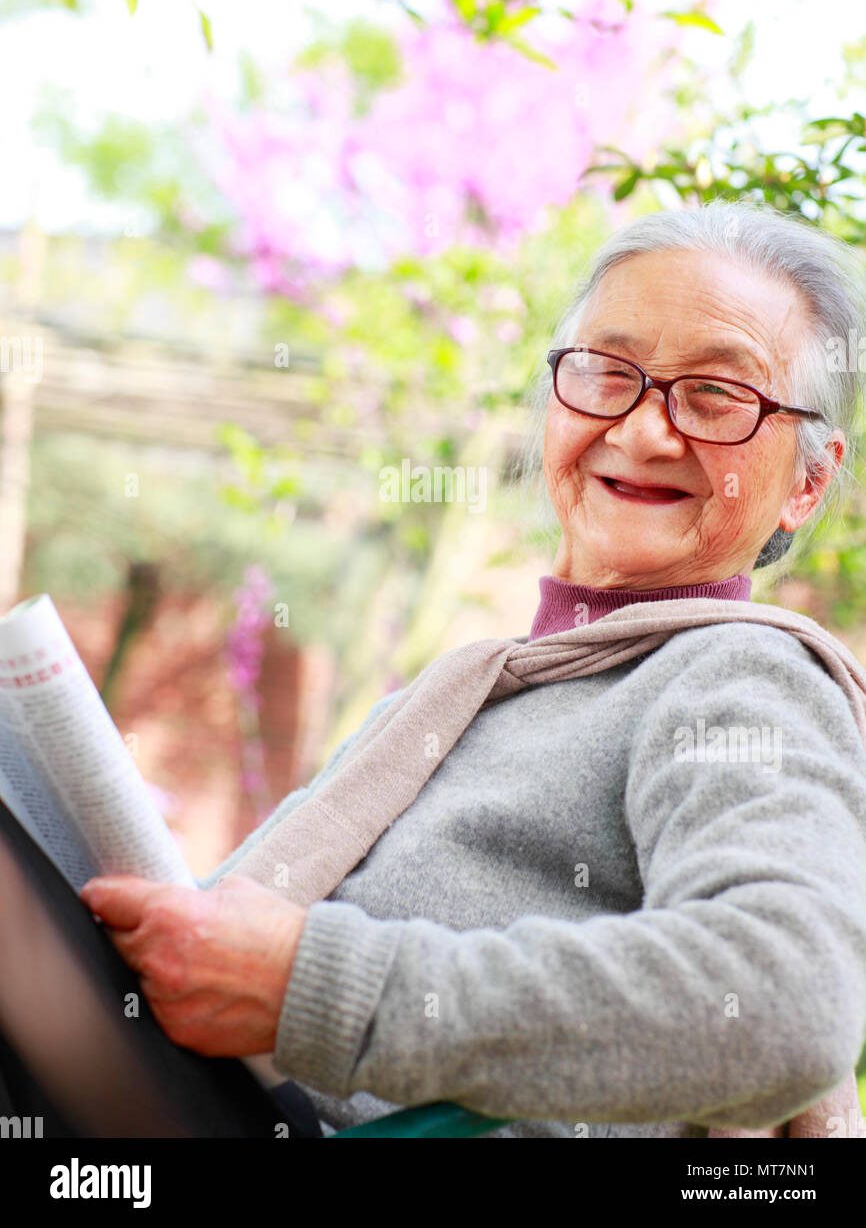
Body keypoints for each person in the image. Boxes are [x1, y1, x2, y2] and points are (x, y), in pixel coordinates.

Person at [81, 199, 866, 1138]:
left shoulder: (734, 679)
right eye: (609, 374)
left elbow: (782, 1003)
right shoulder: (467, 696)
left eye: (717, 397)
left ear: (808, 482)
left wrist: (314, 988)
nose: (646, 432)